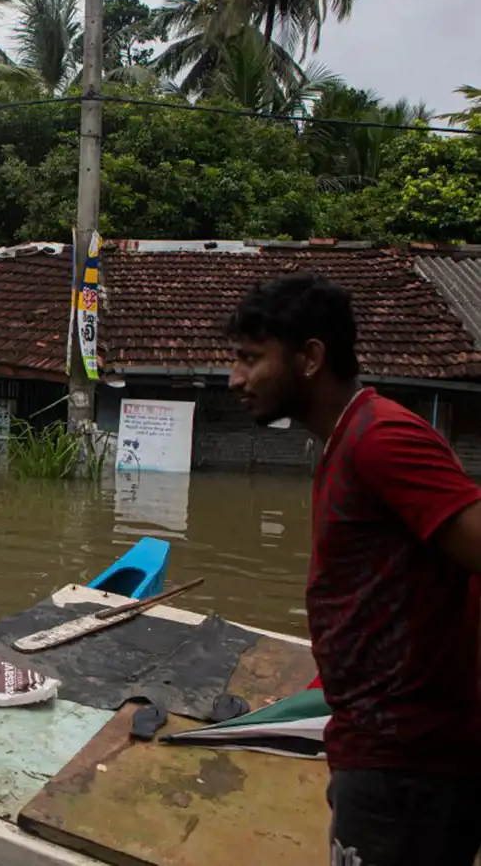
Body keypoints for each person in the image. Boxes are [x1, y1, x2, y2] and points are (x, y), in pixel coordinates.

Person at [226, 272, 481, 866]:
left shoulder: (381, 439)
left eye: (249, 358)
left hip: (409, 768)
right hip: (380, 751)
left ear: (310, 357)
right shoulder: (346, 438)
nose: (234, 379)